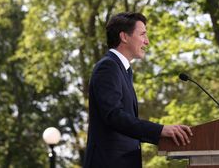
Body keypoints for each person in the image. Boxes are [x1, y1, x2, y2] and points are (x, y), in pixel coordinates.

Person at [83, 12, 193, 168]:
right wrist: (160, 130)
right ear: (124, 37)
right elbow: (114, 116)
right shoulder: (108, 67)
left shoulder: (123, 70)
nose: (147, 41)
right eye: (142, 34)